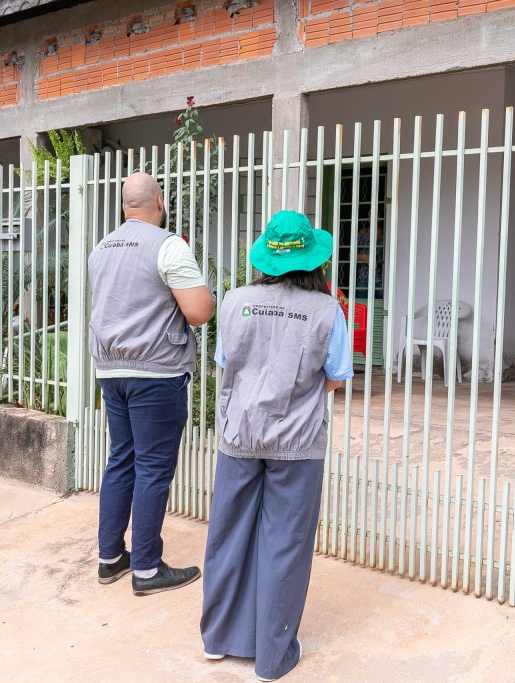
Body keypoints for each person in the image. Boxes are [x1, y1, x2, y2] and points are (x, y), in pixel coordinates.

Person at [200, 210, 354, 680]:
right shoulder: (328, 310)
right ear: (313, 260)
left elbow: (227, 362)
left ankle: (218, 638)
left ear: (266, 255)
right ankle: (273, 654)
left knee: (227, 534)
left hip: (239, 435)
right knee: (285, 541)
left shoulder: (235, 300)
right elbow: (335, 379)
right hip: (297, 441)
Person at [88, 172, 214, 596]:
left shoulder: (101, 248)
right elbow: (198, 312)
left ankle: (110, 559)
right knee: (153, 467)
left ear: (125, 206)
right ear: (159, 200)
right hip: (156, 373)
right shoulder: (168, 246)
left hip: (110, 371)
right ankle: (145, 568)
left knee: (121, 459)